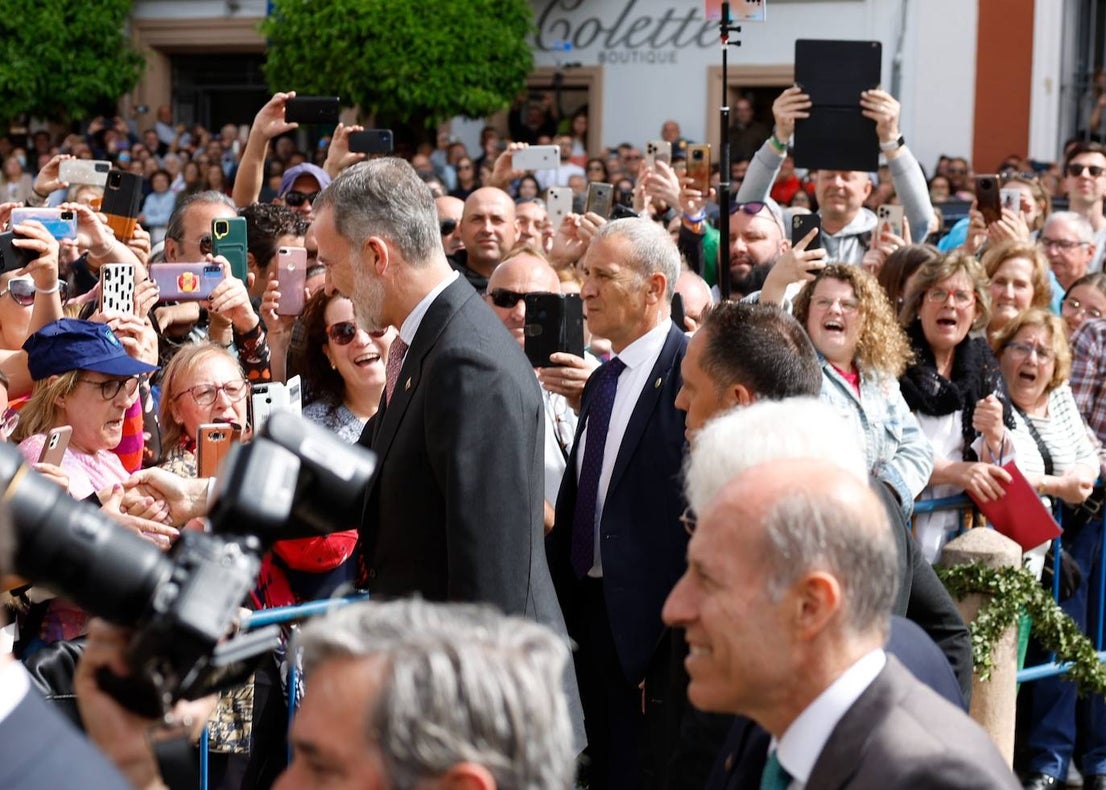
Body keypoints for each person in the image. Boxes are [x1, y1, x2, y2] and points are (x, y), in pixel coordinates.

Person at [310, 158, 583, 745]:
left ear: (377, 256)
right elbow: (357, 477)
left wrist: (466, 743)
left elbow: (491, 583)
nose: (328, 284)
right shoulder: (428, 346)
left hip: (486, 724)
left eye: (331, 263)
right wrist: (207, 495)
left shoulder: (467, 362)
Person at [664, 403, 1018, 790]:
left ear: (810, 606)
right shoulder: (771, 715)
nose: (674, 610)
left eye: (710, 579)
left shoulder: (931, 778)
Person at [547, 217, 687, 789]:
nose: (586, 289)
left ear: (655, 288)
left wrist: (667, 650)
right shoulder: (604, 380)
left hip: (655, 644)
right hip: (591, 621)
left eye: (604, 275)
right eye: (584, 274)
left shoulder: (689, 373)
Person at [991, 309, 1103, 789]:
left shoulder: (1058, 399)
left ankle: (1048, 763)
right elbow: (1003, 469)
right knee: (1007, 660)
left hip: (1060, 546)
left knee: (1063, 650)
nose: (1031, 359)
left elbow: (1088, 461)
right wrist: (1060, 484)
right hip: (1016, 545)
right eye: (1021, 347)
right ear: (1003, 353)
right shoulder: (993, 402)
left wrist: (1065, 482)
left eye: (1042, 351)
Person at [790, 264, 934, 519]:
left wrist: (884, 492)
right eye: (823, 301)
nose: (834, 309)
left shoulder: (881, 380)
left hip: (876, 530)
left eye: (848, 304)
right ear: (805, 311)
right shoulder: (791, 370)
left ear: (866, 318)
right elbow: (763, 316)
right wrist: (779, 280)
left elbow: (918, 448)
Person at [899, 251, 1016, 562]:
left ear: (976, 309)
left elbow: (997, 466)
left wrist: (994, 433)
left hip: (961, 538)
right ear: (920, 305)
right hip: (903, 533)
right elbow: (888, 449)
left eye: (961, 295)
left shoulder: (983, 367)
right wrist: (954, 472)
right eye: (938, 293)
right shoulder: (894, 362)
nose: (950, 304)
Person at [738, 85, 935, 260]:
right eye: (829, 176)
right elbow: (747, 207)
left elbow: (921, 221)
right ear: (816, 184)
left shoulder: (883, 233)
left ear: (866, 189)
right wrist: (779, 138)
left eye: (847, 177)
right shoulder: (794, 227)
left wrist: (891, 139)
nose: (837, 183)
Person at [484, 249, 592, 533]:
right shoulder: (467, 378)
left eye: (536, 302)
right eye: (505, 299)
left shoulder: (594, 374)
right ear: (484, 303)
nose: (519, 314)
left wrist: (592, 402)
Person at [156, 342, 249, 477]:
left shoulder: (269, 454)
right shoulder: (171, 480)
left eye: (232, 389)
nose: (224, 402)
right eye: (205, 393)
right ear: (176, 410)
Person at [451, 187, 519, 293]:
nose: (487, 229)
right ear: (460, 228)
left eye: (497, 220)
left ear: (517, 230)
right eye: (477, 219)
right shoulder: (441, 282)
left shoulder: (534, 282)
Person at [983, 239, 1052, 341]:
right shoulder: (963, 339)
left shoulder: (1044, 347)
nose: (1008, 294)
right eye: (1000, 282)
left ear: (1036, 294)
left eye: (1019, 285)